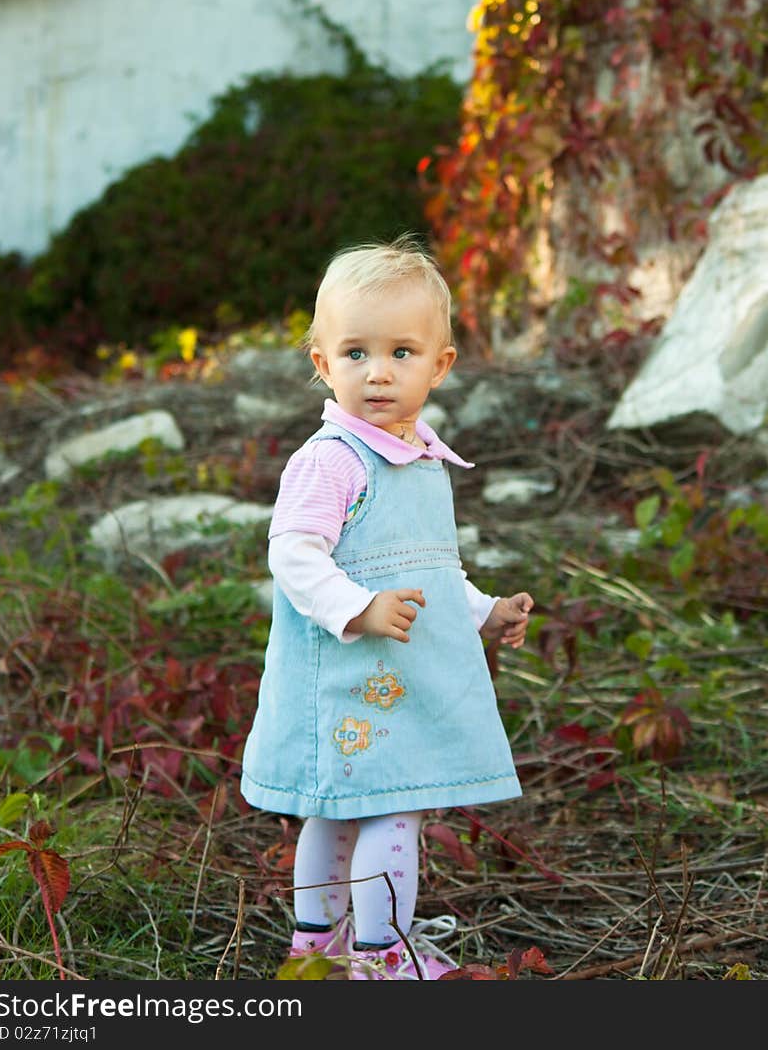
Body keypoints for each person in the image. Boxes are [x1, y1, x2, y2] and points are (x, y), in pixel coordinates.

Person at [240, 235, 533, 980]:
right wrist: (359, 609)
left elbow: (426, 566)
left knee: (347, 808)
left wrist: (482, 611)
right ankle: (379, 957)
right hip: (345, 675)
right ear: (322, 364)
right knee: (383, 807)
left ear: (440, 365)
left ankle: (321, 947)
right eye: (356, 353)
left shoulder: (420, 458)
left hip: (393, 677)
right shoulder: (332, 459)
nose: (377, 373)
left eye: (402, 352)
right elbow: (295, 555)